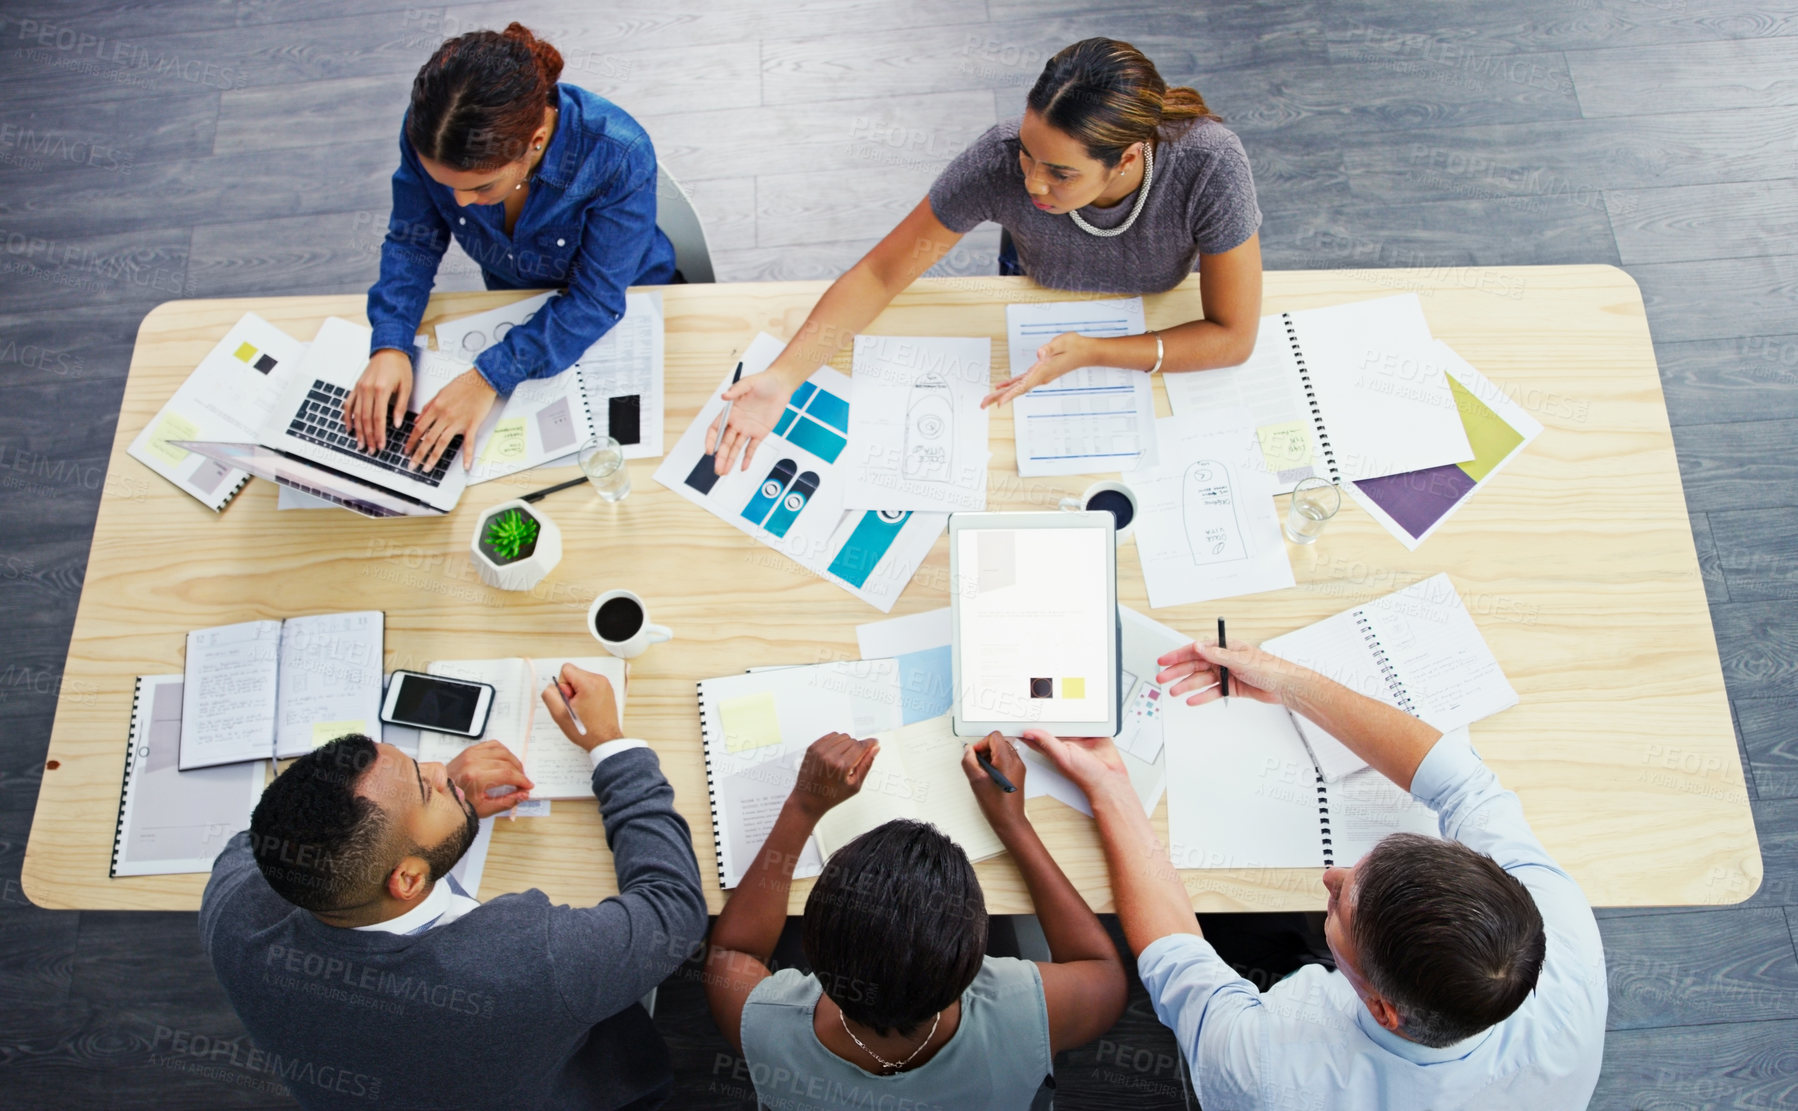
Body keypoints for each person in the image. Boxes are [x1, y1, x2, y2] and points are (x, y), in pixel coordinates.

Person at [1019, 639, 1608, 1109]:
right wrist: (1290, 682)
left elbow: (1174, 957)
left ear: (1382, 1009)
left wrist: (1110, 784)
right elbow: (1463, 783)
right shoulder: (1559, 931)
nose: (1331, 875)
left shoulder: (1268, 1073)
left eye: (1341, 909)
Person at [709, 36, 1263, 475]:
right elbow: (880, 273)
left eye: (1060, 173)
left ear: (1125, 160)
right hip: (1030, 285)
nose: (1033, 184)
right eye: (1028, 155)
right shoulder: (998, 160)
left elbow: (1233, 336)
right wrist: (784, 376)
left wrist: (1096, 351)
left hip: (1152, 313)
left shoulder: (1210, 165)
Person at [200, 666, 706, 1111]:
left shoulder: (231, 911)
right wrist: (610, 745)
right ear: (407, 879)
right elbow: (673, 912)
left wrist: (434, 809)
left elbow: (268, 829)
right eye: (428, 787)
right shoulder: (530, 960)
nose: (444, 769)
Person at [703, 731, 1127, 1110]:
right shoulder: (1022, 1011)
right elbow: (1104, 971)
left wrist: (802, 805)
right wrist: (1012, 822)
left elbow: (731, 953)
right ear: (975, 961)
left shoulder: (766, 1022)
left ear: (811, 953)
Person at [347, 22, 676, 472]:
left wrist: (488, 376)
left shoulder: (618, 154)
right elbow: (413, 241)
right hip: (516, 302)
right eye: (448, 187)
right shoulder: (430, 135)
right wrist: (390, 343)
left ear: (535, 142)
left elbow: (596, 301)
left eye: (481, 187)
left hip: (627, 300)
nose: (459, 203)